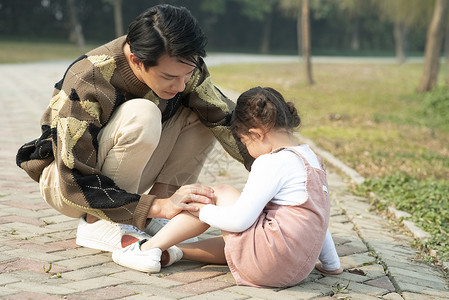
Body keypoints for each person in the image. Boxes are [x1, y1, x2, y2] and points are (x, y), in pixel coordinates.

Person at [15, 4, 252, 252]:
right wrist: (158, 204)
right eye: (169, 77)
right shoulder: (89, 78)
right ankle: (100, 222)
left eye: (187, 75)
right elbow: (73, 179)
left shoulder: (182, 64)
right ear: (136, 61)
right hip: (68, 184)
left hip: (124, 177)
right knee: (143, 113)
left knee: (204, 111)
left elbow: (227, 120)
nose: (181, 85)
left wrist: (278, 168)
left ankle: (157, 219)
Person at [112, 87, 343, 288]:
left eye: (244, 142)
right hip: (295, 270)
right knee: (247, 233)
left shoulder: (271, 161)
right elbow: (319, 219)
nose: (246, 149)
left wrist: (201, 210)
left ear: (255, 134)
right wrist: (332, 264)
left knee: (218, 193)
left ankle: (146, 250)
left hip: (267, 264)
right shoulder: (311, 159)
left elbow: (238, 221)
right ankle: (176, 251)